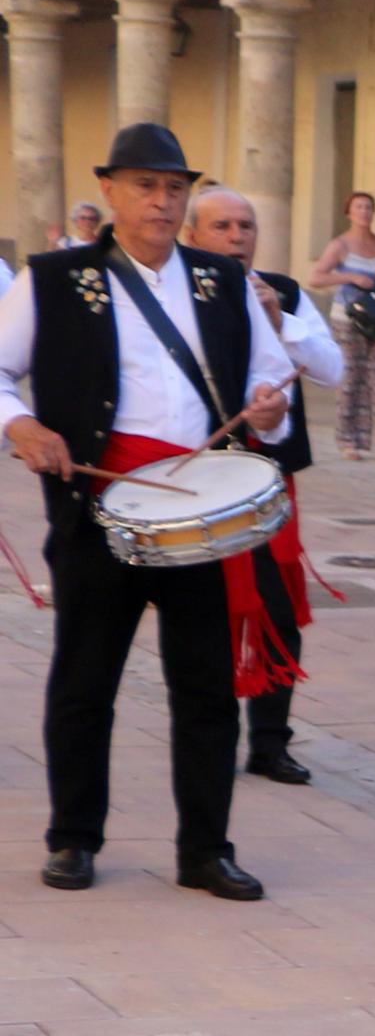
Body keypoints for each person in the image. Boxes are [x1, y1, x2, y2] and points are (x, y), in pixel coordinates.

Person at [0, 126, 296, 898]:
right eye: (144, 186)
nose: (161, 201)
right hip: (99, 508)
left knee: (203, 686)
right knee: (83, 679)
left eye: (173, 188)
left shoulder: (221, 282)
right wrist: (21, 425)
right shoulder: (56, 278)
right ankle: (73, 838)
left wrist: (269, 413)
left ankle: (204, 848)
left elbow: (272, 381)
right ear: (111, 191)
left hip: (200, 516)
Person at [191, 187, 341, 788]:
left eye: (246, 226)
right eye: (222, 226)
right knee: (209, 609)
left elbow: (332, 370)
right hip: (204, 478)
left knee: (278, 604)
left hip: (270, 474)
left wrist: (282, 320)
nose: (237, 237)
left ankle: (272, 740)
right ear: (195, 235)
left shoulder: (287, 292)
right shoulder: (180, 290)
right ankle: (214, 734)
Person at [309, 189, 375, 461]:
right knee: (351, 377)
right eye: (359, 207)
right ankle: (349, 441)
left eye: (368, 207)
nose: (364, 213)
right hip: (348, 317)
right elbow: (317, 277)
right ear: (349, 213)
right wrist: (351, 277)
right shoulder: (340, 246)